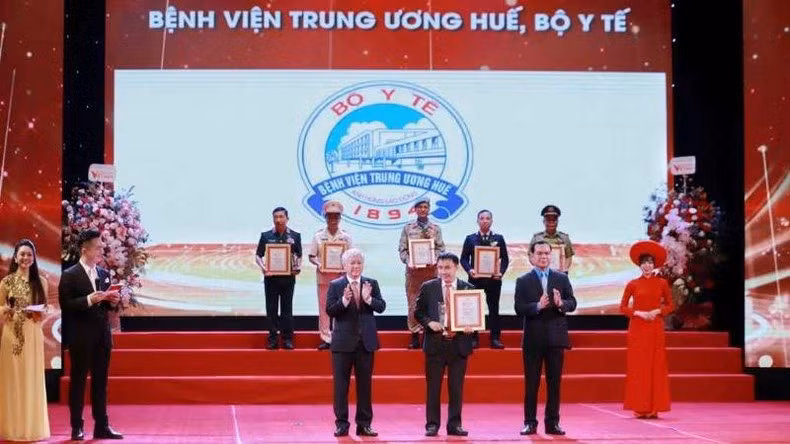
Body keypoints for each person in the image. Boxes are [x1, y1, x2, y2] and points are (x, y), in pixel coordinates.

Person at [59, 229, 123, 440]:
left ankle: (102, 425)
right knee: (78, 381)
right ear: (84, 249)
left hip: (102, 337)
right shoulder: (70, 275)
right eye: (97, 247)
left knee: (100, 382)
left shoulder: (104, 274)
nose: (101, 250)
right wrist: (89, 299)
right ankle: (77, 426)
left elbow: (108, 308)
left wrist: (112, 301)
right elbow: (66, 304)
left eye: (101, 246)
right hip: (81, 337)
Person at [515, 240, 577, 436]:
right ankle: (530, 422)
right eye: (539, 253)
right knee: (531, 383)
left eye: (547, 253)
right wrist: (537, 306)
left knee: (554, 383)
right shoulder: (523, 281)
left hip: (556, 338)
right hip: (533, 340)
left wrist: (561, 304)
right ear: (531, 257)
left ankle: (552, 423)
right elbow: (519, 308)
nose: (543, 257)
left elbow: (572, 302)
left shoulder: (561, 278)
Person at [325, 248, 385, 437]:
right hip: (343, 343)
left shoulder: (371, 283)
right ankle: (342, 424)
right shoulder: (336, 285)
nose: (356, 266)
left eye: (359, 263)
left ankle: (364, 424)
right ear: (344, 265)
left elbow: (381, 306)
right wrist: (343, 301)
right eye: (352, 263)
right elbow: (330, 310)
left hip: (366, 343)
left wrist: (368, 299)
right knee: (341, 386)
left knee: (365, 386)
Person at [415, 252, 474, 437]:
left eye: (447, 267)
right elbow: (418, 312)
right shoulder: (428, 287)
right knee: (433, 388)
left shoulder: (468, 288)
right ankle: (432, 425)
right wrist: (428, 323)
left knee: (456, 388)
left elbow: (476, 315)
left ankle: (455, 425)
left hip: (459, 344)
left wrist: (471, 327)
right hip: (435, 343)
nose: (443, 272)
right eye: (440, 268)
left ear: (456, 267)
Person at [0, 239, 50, 441]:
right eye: (22, 254)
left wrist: (40, 313)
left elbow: (45, 309)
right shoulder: (6, 282)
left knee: (31, 379)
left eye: (29, 254)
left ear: (34, 258)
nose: (25, 258)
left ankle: (32, 429)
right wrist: (6, 310)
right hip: (11, 334)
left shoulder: (41, 282)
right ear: (15, 257)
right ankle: (12, 429)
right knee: (12, 379)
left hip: (32, 334)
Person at [620, 240, 674, 419]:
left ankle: (654, 407)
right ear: (639, 265)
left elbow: (670, 305)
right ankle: (639, 406)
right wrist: (639, 313)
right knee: (639, 367)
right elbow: (623, 307)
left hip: (655, 328)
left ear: (654, 265)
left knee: (655, 366)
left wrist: (658, 311)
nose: (647, 266)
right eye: (644, 263)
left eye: (650, 263)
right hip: (638, 328)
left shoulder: (662, 283)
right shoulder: (633, 284)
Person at [399, 198, 446, 349]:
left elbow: (441, 249)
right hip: (413, 274)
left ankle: (430, 333)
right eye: (420, 207)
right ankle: (414, 335)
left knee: (432, 303)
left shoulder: (435, 228)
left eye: (425, 207)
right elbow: (402, 250)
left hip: (431, 272)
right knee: (413, 304)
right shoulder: (408, 228)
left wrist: (435, 259)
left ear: (429, 209)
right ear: (415, 210)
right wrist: (409, 261)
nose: (423, 209)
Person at [460, 209, 509, 348]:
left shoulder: (498, 238)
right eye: (482, 218)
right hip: (475, 280)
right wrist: (469, 270)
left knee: (494, 309)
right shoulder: (470, 239)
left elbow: (505, 259)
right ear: (477, 221)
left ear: (492, 221)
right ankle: (473, 338)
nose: (485, 221)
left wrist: (501, 272)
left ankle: (495, 338)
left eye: (488, 218)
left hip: (494, 280)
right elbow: (463, 259)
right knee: (474, 309)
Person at [255, 206, 302, 350]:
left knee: (287, 309)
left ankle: (287, 339)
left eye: (281, 217)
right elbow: (258, 255)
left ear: (287, 219)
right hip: (271, 279)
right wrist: (263, 268)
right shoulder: (266, 236)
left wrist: (297, 267)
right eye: (275, 217)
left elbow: (299, 255)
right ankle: (273, 339)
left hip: (288, 279)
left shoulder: (295, 236)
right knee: (271, 309)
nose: (278, 220)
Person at [309, 200, 353, 350]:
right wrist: (319, 264)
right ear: (325, 217)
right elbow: (312, 256)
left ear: (340, 218)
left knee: (342, 308)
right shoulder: (318, 236)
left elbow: (351, 256)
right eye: (330, 216)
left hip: (341, 278)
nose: (333, 219)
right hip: (324, 278)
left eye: (336, 216)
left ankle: (340, 337)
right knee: (324, 309)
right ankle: (326, 338)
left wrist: (346, 266)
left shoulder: (346, 237)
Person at [530, 205, 575, 273]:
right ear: (544, 221)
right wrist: (540, 268)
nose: (551, 222)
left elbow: (568, 257)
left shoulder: (564, 238)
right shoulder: (536, 238)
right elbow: (531, 256)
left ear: (557, 221)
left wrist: (563, 271)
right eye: (548, 220)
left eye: (554, 220)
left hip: (560, 275)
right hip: (541, 275)